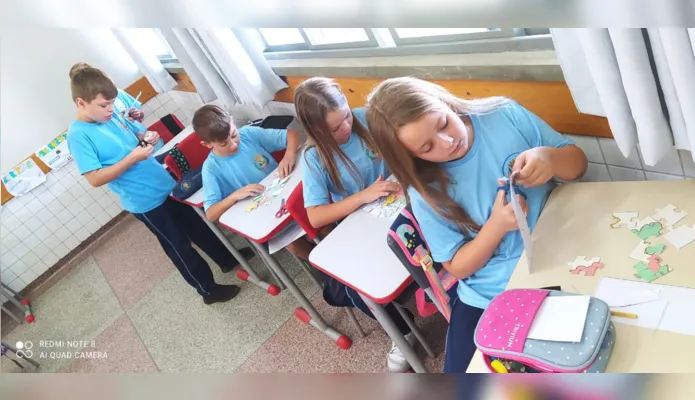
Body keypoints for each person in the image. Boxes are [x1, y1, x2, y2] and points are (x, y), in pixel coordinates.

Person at [364, 77, 588, 373]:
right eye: (427, 147)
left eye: (443, 123)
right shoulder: (424, 189)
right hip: (488, 292)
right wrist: (495, 226)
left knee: (576, 355)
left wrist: (550, 158)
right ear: (411, 157)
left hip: (559, 257)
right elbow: (457, 266)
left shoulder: (503, 114)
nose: (448, 143)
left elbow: (578, 165)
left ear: (446, 102)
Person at [66, 65, 253, 305]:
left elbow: (137, 133)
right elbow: (95, 178)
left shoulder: (110, 116)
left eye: (112, 104)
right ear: (81, 102)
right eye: (104, 106)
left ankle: (226, 259)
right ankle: (207, 290)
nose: (111, 109)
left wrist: (146, 137)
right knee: (178, 244)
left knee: (197, 224)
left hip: (164, 182)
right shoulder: (78, 135)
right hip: (145, 201)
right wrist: (132, 157)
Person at [295, 77, 419, 373]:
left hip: (398, 203)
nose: (346, 127)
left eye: (347, 116)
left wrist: (402, 173)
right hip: (359, 224)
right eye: (335, 128)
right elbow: (315, 217)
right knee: (352, 288)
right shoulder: (314, 158)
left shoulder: (366, 118)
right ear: (315, 130)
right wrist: (363, 196)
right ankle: (403, 331)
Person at [193, 104, 314, 260]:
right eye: (223, 144)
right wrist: (234, 196)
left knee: (320, 221)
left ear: (233, 123)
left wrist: (289, 154)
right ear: (207, 144)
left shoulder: (247, 134)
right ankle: (322, 267)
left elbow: (292, 134)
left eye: (234, 135)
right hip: (267, 213)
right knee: (294, 246)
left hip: (289, 194)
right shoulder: (211, 169)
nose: (233, 144)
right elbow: (210, 213)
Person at [69, 62, 164, 152]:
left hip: (145, 142)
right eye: (104, 105)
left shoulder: (115, 94)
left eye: (112, 102)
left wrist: (141, 131)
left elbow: (137, 124)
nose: (111, 109)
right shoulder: (88, 126)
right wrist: (134, 156)